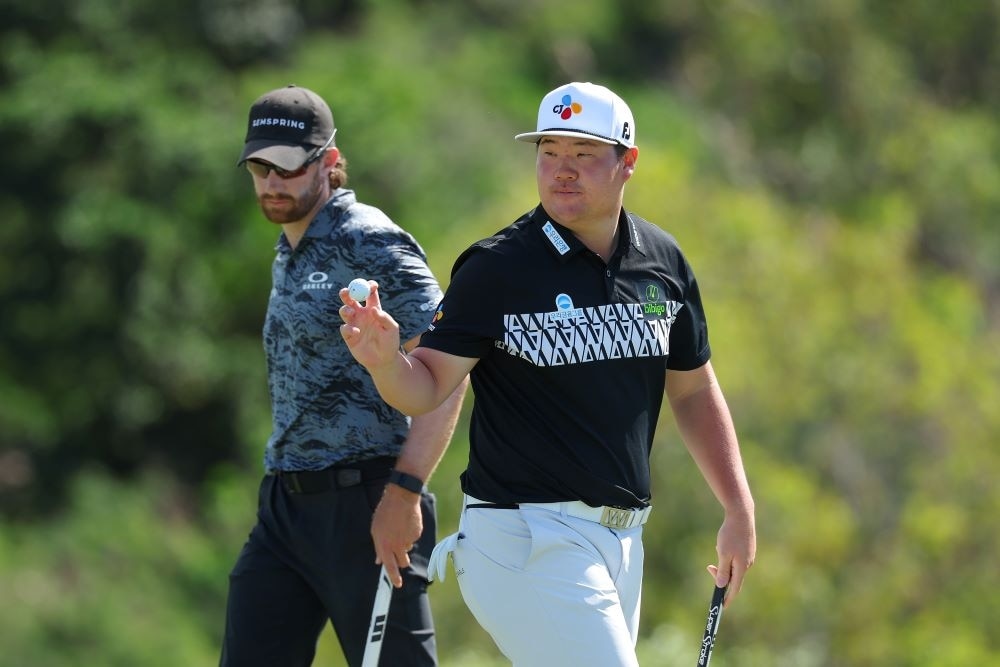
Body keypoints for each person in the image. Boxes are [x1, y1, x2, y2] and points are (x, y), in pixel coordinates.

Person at [338, 81, 756, 666]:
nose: (563, 170)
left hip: (622, 541)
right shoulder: (498, 267)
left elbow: (691, 389)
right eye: (549, 153)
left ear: (627, 162)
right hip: (523, 538)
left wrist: (737, 507)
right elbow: (426, 386)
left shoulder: (662, 262)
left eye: (583, 155)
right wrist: (385, 362)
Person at [220, 84, 467, 667]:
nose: (271, 183)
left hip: (368, 503)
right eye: (259, 166)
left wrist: (405, 491)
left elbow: (450, 364)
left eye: (286, 167)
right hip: (285, 506)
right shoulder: (290, 246)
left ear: (329, 162)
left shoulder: (369, 239)